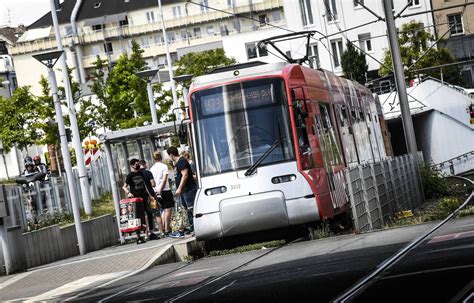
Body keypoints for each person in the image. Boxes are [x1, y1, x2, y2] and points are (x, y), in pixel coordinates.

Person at [167, 146, 197, 238]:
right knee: (186, 209)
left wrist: (179, 188)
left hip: (187, 189)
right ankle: (192, 228)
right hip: (184, 190)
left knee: (191, 208)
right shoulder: (178, 163)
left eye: (169, 155)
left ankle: (195, 228)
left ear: (171, 154)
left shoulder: (182, 161)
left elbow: (185, 175)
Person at [122, 159, 151, 244]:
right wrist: (129, 193)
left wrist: (149, 194)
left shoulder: (141, 173)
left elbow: (145, 185)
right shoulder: (130, 175)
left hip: (144, 197)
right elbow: (124, 186)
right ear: (132, 166)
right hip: (136, 199)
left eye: (138, 164)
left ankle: (147, 234)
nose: (138, 165)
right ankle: (138, 237)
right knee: (137, 217)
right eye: (136, 164)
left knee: (147, 214)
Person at [149, 151, 174, 237]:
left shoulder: (151, 169)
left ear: (154, 158)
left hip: (156, 191)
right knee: (168, 210)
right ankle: (167, 228)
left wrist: (156, 190)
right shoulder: (164, 166)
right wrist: (161, 189)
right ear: (161, 157)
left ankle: (162, 228)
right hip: (165, 190)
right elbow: (164, 179)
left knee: (161, 210)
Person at [139, 160, 160, 240]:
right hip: (151, 196)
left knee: (144, 216)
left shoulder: (137, 174)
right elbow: (153, 184)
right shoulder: (148, 173)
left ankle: (145, 234)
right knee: (154, 213)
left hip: (141, 197)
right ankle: (160, 231)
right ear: (144, 164)